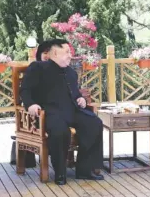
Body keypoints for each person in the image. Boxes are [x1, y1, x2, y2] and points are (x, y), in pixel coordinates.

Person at [20, 39, 104, 185]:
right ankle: (60, 172)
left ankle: (84, 169)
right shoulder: (38, 67)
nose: (70, 55)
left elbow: (75, 93)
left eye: (70, 52)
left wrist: (81, 99)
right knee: (60, 131)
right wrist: (31, 104)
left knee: (94, 123)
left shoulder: (70, 72)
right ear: (55, 53)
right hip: (50, 112)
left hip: (72, 110)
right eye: (66, 52)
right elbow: (25, 90)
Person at [10, 40, 52, 167]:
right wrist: (30, 104)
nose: (48, 56)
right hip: (38, 113)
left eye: (51, 53)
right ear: (39, 54)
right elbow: (25, 91)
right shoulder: (35, 67)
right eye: (45, 53)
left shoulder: (60, 69)